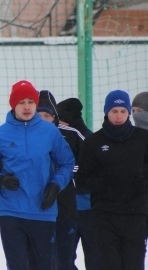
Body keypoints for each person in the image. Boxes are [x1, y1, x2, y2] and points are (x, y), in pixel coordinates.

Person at [0, 80, 75, 270]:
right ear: (13, 105)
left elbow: (67, 163)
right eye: (21, 102)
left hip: (43, 211)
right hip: (11, 212)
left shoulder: (50, 132)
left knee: (44, 265)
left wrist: (55, 186)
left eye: (30, 101)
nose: (27, 106)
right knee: (17, 265)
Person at [77, 90, 148, 270]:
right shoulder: (93, 142)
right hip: (105, 217)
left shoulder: (142, 140)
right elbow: (82, 181)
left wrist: (138, 183)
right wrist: (105, 182)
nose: (118, 116)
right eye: (114, 111)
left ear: (129, 113)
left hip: (136, 216)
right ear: (106, 112)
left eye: (123, 111)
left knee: (134, 264)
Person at [37, 90, 84, 270]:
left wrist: (62, 175)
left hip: (65, 207)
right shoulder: (23, 135)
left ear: (55, 117)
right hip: (36, 207)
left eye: (47, 115)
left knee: (64, 260)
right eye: (38, 115)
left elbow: (88, 164)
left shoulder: (71, 135)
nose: (43, 119)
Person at [57, 97, 98, 270]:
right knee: (62, 260)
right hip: (66, 210)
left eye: (60, 121)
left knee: (95, 259)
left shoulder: (89, 140)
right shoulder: (58, 137)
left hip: (89, 210)